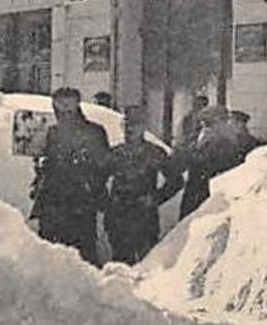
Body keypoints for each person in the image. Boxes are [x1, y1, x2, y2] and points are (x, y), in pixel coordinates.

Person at [31, 87, 111, 265]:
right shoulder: (50, 132)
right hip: (52, 202)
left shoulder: (94, 132)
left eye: (69, 105)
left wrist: (89, 182)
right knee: (50, 257)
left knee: (82, 255)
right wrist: (39, 161)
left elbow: (104, 165)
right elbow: (43, 162)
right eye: (60, 105)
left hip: (80, 203)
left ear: (77, 105)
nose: (64, 110)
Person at [103, 105, 181, 265]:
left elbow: (176, 181)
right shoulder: (114, 153)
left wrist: (155, 199)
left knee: (147, 266)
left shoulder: (154, 153)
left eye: (134, 124)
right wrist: (107, 204)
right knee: (121, 266)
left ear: (144, 127)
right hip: (119, 217)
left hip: (144, 217)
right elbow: (96, 180)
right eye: (126, 125)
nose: (129, 129)